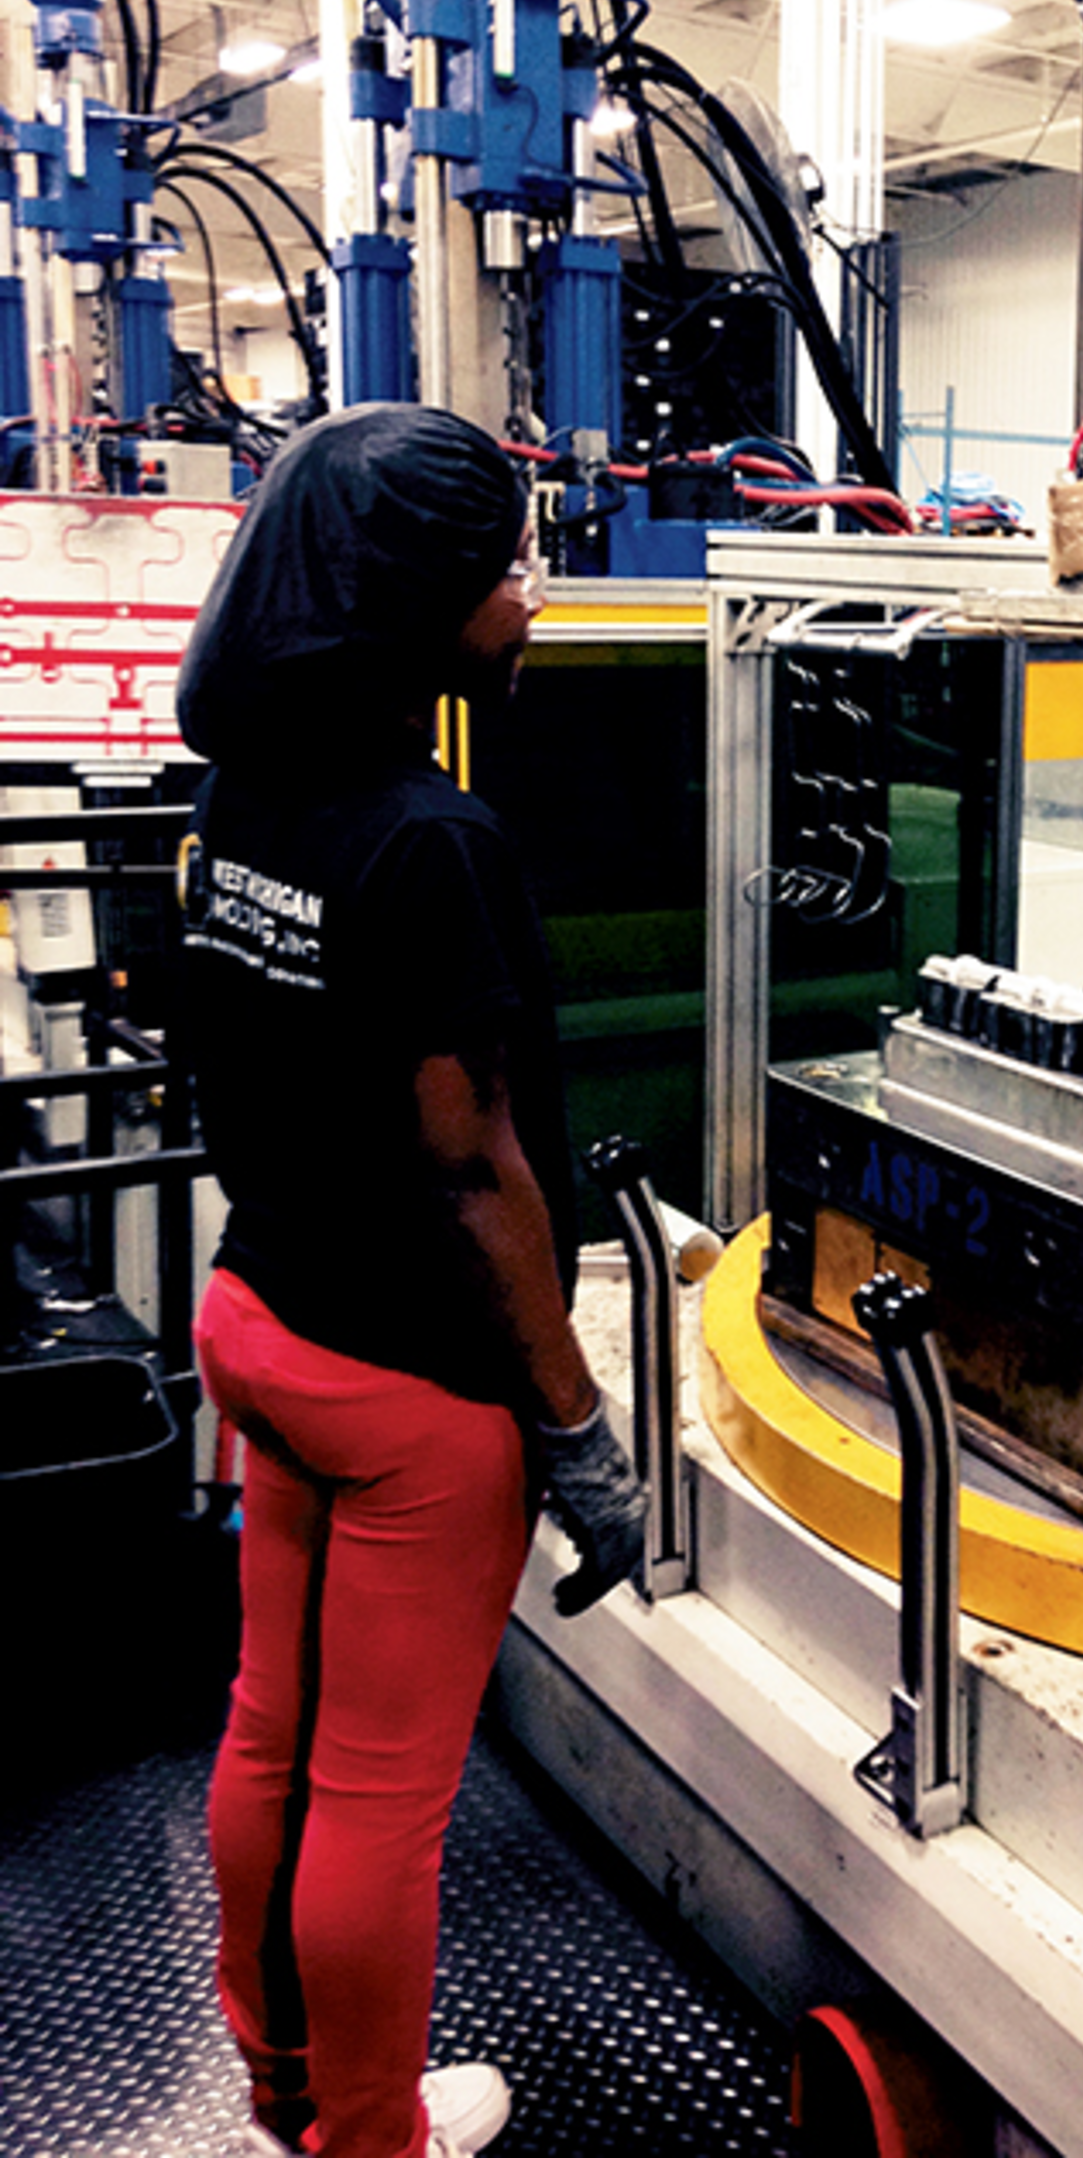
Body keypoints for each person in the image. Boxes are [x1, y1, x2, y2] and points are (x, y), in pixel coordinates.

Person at [175, 404, 651, 2158]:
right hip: (405, 1402)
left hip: (262, 1319)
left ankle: (287, 2085)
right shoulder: (428, 838)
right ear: (417, 601)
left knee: (273, 1731)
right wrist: (575, 1429)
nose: (532, 598)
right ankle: (373, 2139)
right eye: (510, 568)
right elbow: (470, 1163)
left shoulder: (247, 787)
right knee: (382, 1800)